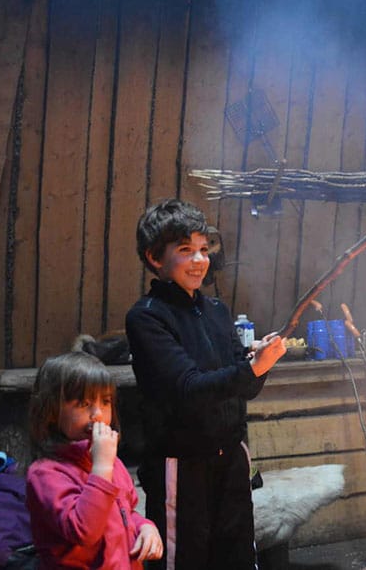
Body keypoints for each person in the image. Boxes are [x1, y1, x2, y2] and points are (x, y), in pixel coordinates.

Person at [125, 198, 286, 570]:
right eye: (185, 251)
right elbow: (189, 390)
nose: (200, 260)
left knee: (238, 559)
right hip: (181, 466)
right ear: (154, 257)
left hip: (230, 460)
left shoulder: (216, 311)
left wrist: (259, 364)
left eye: (202, 250)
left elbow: (245, 389)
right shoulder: (148, 318)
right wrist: (251, 369)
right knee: (186, 562)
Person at [26, 351, 163, 569]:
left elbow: (126, 512)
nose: (98, 414)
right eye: (83, 404)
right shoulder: (45, 474)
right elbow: (84, 530)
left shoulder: (110, 462)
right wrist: (102, 467)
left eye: (106, 402)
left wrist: (144, 527)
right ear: (51, 411)